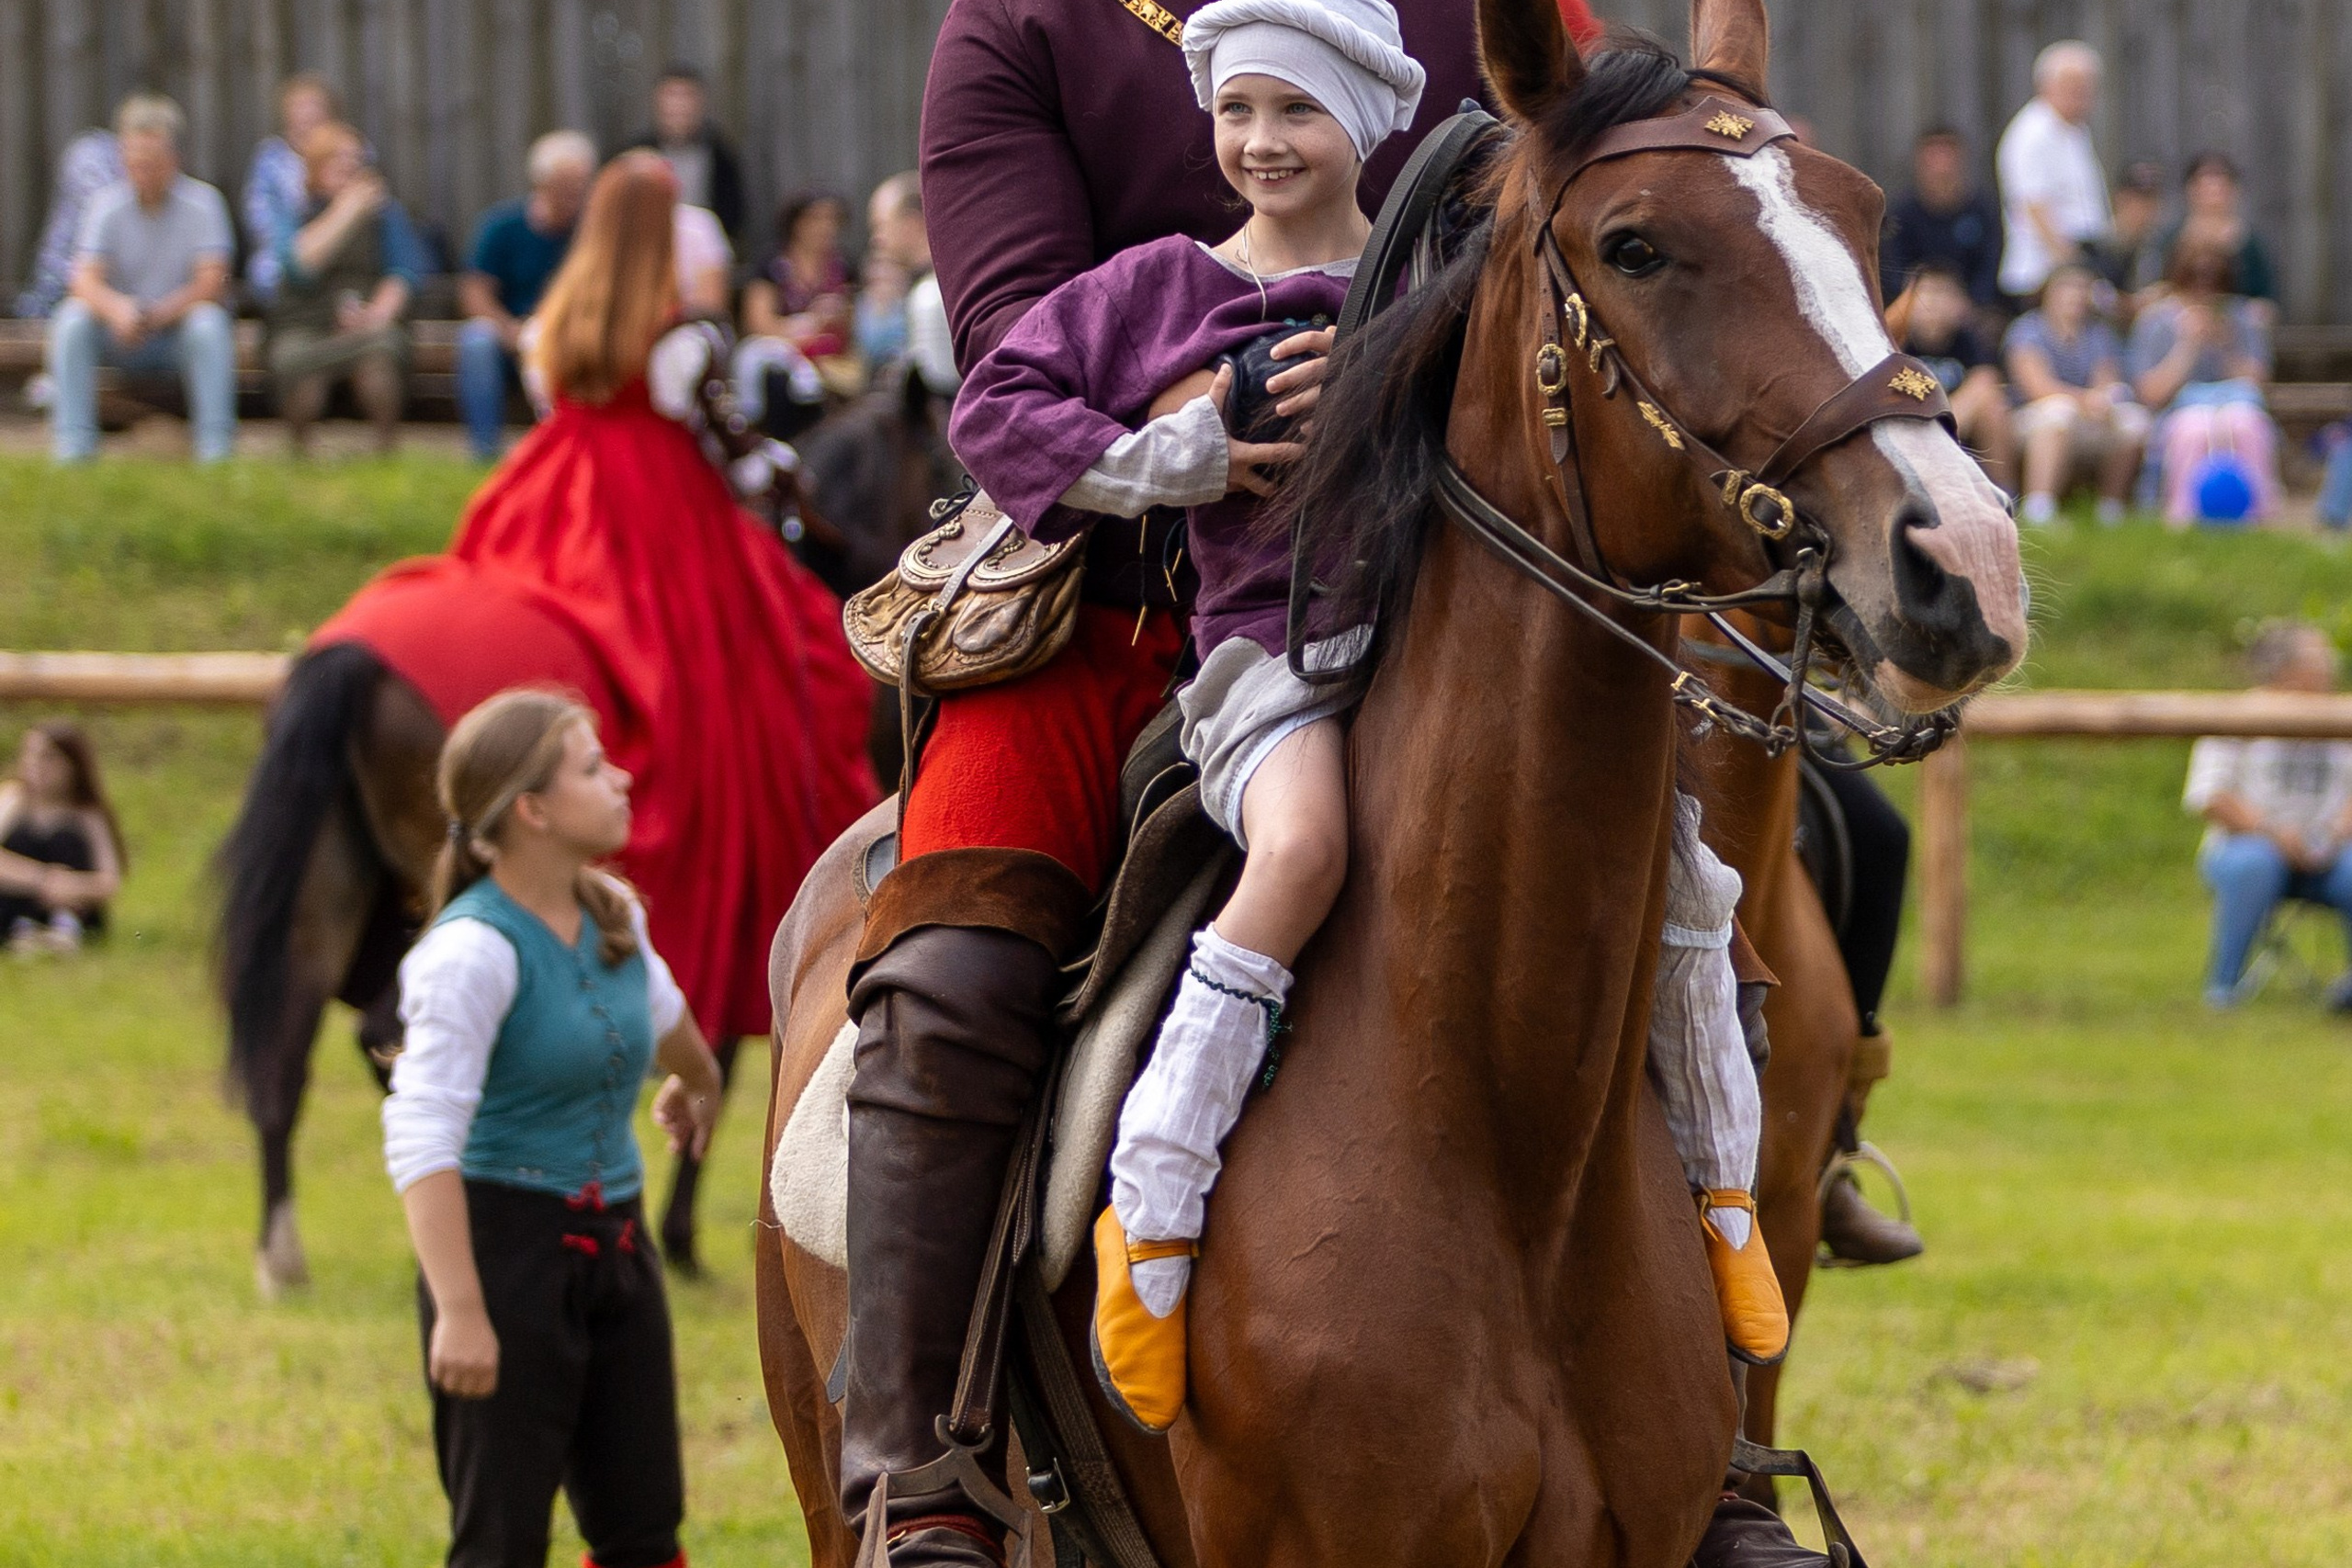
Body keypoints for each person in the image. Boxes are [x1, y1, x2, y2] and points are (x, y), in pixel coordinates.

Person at [447, 152, 877, 1046]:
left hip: (556, 493)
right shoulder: (684, 338)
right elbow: (728, 447)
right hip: (660, 514)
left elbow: (549, 405)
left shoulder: (554, 325)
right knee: (776, 662)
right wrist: (778, 470)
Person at [384, 689, 725, 1567]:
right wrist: (461, 1311)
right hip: (506, 1259)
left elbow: (668, 1020)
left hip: (617, 1249)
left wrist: (698, 1079)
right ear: (531, 810)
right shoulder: (470, 954)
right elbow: (421, 1136)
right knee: (502, 1539)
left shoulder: (612, 912)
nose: (620, 777)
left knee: (643, 1528)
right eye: (590, 766)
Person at [46, 94, 236, 464]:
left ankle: (215, 448)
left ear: (175, 159)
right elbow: (83, 280)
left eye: (154, 161)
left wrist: (156, 315)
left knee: (209, 324)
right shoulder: (104, 205)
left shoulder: (204, 204)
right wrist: (119, 310)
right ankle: (74, 447)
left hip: (175, 333)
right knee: (72, 321)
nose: (144, 169)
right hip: (120, 333)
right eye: (135, 160)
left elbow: (212, 283)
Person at [2183, 623, 2352, 1010]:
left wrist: (2337, 831)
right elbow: (2210, 795)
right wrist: (2273, 834)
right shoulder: (2240, 716)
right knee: (2254, 866)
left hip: (2330, 850)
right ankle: (2224, 988)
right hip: (2249, 847)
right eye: (2320, 660)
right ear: (2286, 670)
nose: (2330, 668)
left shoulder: (2342, 716)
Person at [267, 121, 428, 455]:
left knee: (380, 358)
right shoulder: (294, 211)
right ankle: (301, 454)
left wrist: (377, 314)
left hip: (366, 331)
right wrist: (348, 209)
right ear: (316, 166)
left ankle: (385, 452)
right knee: (298, 369)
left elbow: (405, 271)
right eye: (339, 159)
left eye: (356, 159)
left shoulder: (386, 214)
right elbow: (301, 267)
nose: (350, 166)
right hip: (305, 329)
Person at [457, 130, 594, 460]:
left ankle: (573, 452)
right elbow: (474, 292)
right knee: (476, 340)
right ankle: (484, 452)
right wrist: (508, 330)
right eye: (565, 186)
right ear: (541, 184)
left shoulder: (592, 232)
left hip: (571, 338)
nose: (573, 195)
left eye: (580, 185)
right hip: (512, 335)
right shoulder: (502, 226)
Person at [2129, 242, 2278, 526]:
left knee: (2245, 425)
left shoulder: (2242, 317)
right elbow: (2150, 394)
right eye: (2194, 278)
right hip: (2178, 411)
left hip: (2235, 403)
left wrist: (2225, 343)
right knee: (2196, 429)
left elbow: (2258, 385)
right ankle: (2183, 517)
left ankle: (2259, 516)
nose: (2203, 288)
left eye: (2213, 279)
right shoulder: (2156, 322)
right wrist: (2187, 345)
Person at [2004, 259, 2149, 525]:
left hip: (2086, 417)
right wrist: (2085, 400)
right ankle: (2040, 508)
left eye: (2082, 288)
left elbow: (2106, 379)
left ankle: (2111, 510)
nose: (2075, 295)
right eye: (2068, 287)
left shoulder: (2098, 334)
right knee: (2060, 412)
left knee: (2133, 421)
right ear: (2048, 292)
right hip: (2031, 420)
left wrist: (2104, 400)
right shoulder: (2028, 330)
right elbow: (2038, 388)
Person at [1996, 40, 2109, 304]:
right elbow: (2035, 207)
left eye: (2086, 87)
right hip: (2044, 274)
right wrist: (2075, 272)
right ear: (2045, 86)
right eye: (2071, 87)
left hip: (2080, 260)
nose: (2080, 95)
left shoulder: (2075, 130)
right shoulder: (2032, 134)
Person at [0, 724, 124, 954]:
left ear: (72, 765)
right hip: (16, 897)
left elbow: (109, 880)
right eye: (30, 755)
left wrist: (72, 887)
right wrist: (42, 880)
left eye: (48, 758)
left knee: (65, 840)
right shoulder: (13, 799)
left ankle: (63, 928)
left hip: (71, 904)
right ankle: (22, 930)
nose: (35, 765)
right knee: (24, 841)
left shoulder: (87, 812)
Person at [1899, 260, 2014, 491]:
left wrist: (1948, 418)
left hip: (1954, 426)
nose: (1932, 303)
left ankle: (2004, 492)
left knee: (1992, 402)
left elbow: (1988, 378)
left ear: (1960, 304)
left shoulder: (1968, 340)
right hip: (1911, 426)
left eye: (1942, 294)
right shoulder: (1895, 340)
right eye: (1926, 293)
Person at [241, 73, 341, 304]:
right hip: (285, 255)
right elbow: (262, 222)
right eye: (298, 112)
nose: (305, 119)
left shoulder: (353, 153)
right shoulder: (270, 160)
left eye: (314, 113)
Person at [1880, 128, 2003, 313]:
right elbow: (1892, 270)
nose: (1942, 165)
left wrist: (1967, 304)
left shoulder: (1983, 211)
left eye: (1948, 155)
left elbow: (1990, 267)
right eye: (1934, 156)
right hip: (1912, 310)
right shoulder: (1901, 214)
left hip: (1972, 313)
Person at [13, 129, 122, 322]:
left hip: (130, 308)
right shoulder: (90, 158)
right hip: (56, 300)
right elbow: (77, 277)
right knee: (75, 319)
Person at [626, 64, 744, 242]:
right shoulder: (637, 154)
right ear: (658, 103)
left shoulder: (720, 154)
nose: (679, 105)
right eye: (672, 96)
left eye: (687, 96)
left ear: (700, 103)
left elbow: (734, 211)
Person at [2161, 152, 2278, 329]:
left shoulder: (2250, 243)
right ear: (2191, 190)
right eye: (2205, 188)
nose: (2213, 195)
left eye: (2220, 188)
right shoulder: (2170, 239)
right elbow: (2157, 291)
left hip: (2235, 329)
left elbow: (2268, 301)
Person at [742, 192, 853, 360]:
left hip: (832, 357)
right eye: (815, 219)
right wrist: (808, 324)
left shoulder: (845, 265)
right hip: (780, 355)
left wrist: (840, 313)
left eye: (832, 219)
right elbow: (758, 323)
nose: (825, 227)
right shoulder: (771, 264)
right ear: (796, 223)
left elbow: (857, 319)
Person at [853, 173, 929, 366]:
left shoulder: (935, 290)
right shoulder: (908, 284)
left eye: (880, 226)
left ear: (912, 223)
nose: (875, 239)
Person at [2091, 159, 2169, 314]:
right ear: (2120, 199)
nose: (2143, 208)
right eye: (2135, 199)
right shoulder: (2097, 242)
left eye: (2149, 200)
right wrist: (2125, 303)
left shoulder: (2162, 244)